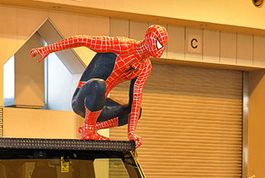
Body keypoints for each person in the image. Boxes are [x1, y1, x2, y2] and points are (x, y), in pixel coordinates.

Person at [30, 25, 169, 148]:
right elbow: (82, 40)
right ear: (149, 39)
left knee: (136, 110)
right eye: (158, 44)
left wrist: (131, 133)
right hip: (82, 99)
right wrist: (49, 48)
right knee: (99, 85)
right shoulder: (122, 45)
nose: (161, 50)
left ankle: (91, 126)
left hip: (100, 103)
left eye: (164, 46)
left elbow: (136, 99)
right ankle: (89, 129)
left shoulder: (145, 67)